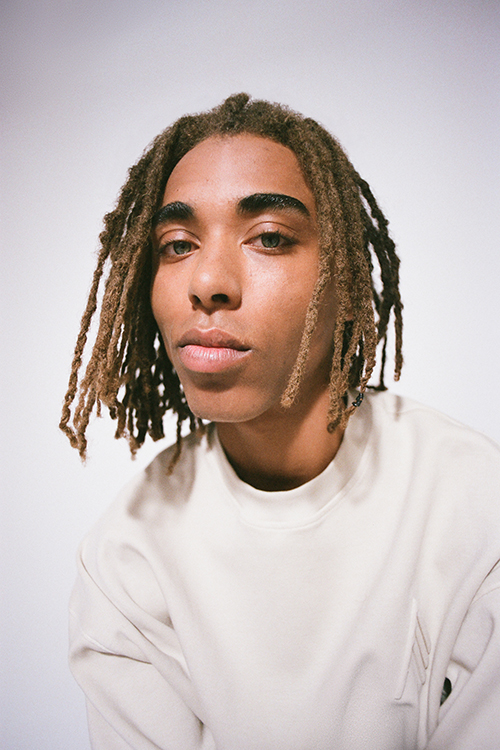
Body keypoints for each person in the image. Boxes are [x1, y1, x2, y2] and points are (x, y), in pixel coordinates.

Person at [62, 94, 500, 750]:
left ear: (344, 276)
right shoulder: (127, 557)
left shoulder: (477, 508)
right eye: (177, 245)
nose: (208, 281)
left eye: (269, 237)